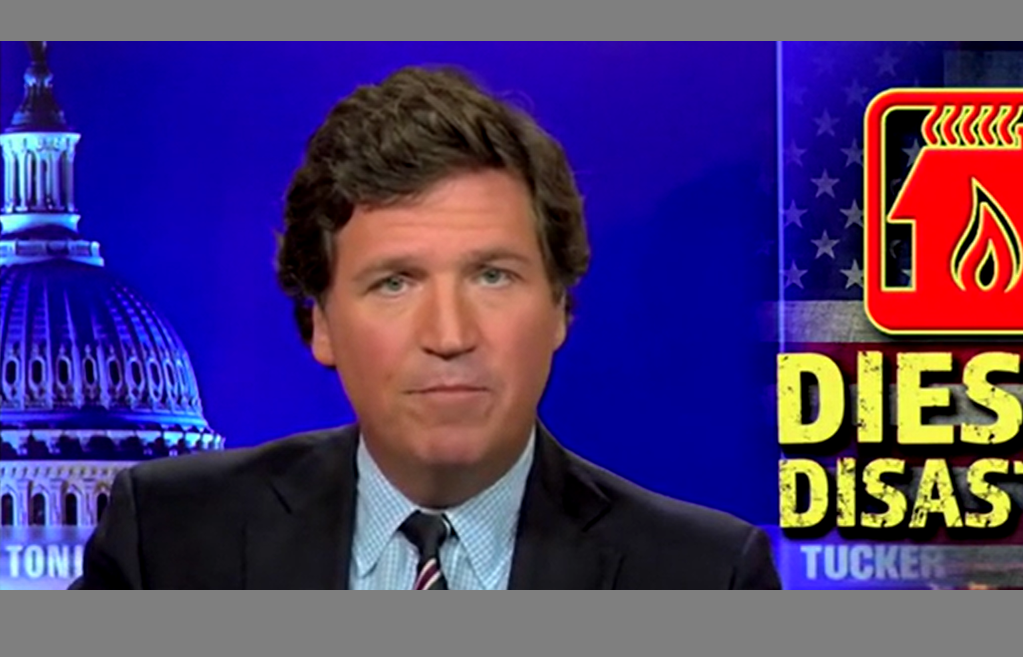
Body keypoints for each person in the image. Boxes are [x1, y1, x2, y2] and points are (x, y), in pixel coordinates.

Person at [70, 64, 781, 590]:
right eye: (395, 282)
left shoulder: (705, 574)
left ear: (560, 309)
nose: (449, 334)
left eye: (492, 276)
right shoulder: (167, 541)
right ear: (320, 324)